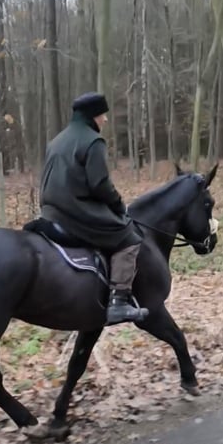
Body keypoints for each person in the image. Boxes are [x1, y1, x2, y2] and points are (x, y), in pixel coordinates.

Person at [37, 92, 148, 325]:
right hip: (76, 213)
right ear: (92, 117)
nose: (105, 120)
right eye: (102, 115)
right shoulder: (92, 140)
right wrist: (119, 206)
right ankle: (119, 301)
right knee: (130, 237)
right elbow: (100, 185)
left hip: (49, 212)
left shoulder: (56, 141)